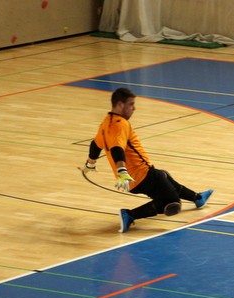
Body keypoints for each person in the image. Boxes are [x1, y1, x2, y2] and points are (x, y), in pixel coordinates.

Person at [79, 88, 213, 232]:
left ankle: (197, 198)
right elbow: (117, 149)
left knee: (164, 176)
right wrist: (122, 171)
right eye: (131, 104)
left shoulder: (106, 123)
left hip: (134, 179)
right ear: (120, 105)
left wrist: (90, 164)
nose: (134, 108)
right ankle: (130, 215)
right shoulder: (120, 124)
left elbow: (95, 145)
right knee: (172, 202)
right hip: (141, 175)